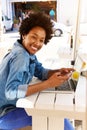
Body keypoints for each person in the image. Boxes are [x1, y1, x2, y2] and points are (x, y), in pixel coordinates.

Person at [0, 12, 74, 129]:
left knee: (54, 112)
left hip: (14, 107)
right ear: (24, 34)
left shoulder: (27, 52)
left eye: (41, 40)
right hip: (5, 114)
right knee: (53, 114)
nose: (37, 43)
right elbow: (11, 91)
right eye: (34, 37)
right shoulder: (21, 56)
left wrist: (57, 71)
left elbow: (40, 71)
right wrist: (48, 84)